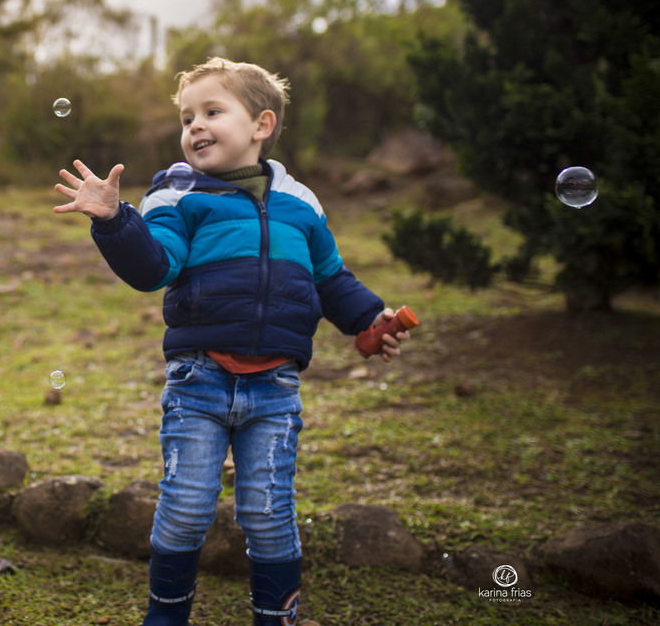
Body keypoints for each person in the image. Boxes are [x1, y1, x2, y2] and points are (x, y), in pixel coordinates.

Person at [54, 57, 409, 625]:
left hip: (276, 386)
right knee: (188, 506)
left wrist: (370, 320)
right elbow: (154, 268)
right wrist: (114, 221)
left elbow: (329, 277)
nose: (194, 125)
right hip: (199, 380)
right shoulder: (177, 194)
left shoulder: (302, 202)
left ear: (261, 125)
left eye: (212, 111)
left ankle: (277, 617)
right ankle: (166, 615)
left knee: (268, 513)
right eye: (186, 116)